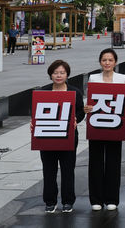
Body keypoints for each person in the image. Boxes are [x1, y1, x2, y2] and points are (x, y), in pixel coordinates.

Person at [37, 60, 85, 214]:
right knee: (49, 169)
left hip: (68, 136)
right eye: (55, 72)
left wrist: (77, 119)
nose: (58, 75)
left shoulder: (75, 92)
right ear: (50, 74)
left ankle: (68, 201)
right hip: (47, 136)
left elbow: (80, 111)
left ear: (67, 75)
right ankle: (50, 201)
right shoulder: (43, 92)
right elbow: (36, 113)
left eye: (62, 73)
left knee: (67, 169)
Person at [84, 48, 125, 211]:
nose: (107, 63)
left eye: (110, 60)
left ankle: (112, 199)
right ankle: (96, 199)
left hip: (116, 125)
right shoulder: (93, 78)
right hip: (97, 125)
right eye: (104, 60)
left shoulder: (122, 78)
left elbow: (124, 102)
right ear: (100, 62)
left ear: (115, 62)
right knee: (95, 161)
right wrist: (87, 108)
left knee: (113, 162)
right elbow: (90, 100)